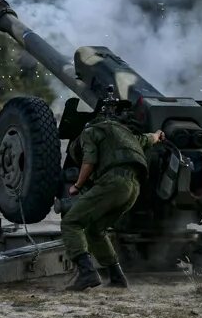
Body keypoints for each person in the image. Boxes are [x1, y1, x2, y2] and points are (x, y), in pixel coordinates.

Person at [61, 95, 164, 291]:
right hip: (133, 189)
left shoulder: (89, 132)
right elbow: (150, 138)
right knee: (95, 230)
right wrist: (159, 135)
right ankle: (117, 277)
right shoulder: (126, 134)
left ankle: (87, 273)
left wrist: (77, 185)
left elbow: (89, 161)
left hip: (113, 183)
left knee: (71, 222)